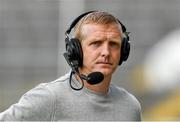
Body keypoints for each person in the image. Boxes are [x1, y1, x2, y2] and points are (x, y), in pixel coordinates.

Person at [0, 11, 141, 121]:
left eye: (114, 44)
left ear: (124, 51)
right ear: (76, 51)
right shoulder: (49, 98)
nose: (106, 52)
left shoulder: (130, 106)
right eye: (96, 43)